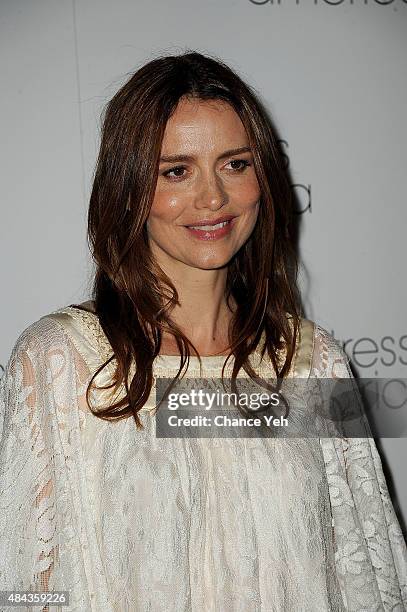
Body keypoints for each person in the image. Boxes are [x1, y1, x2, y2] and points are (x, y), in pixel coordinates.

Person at [0, 51, 406, 612]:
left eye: (235, 164)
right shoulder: (60, 361)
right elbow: (21, 580)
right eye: (177, 171)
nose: (213, 198)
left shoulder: (314, 362)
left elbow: (369, 571)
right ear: (129, 188)